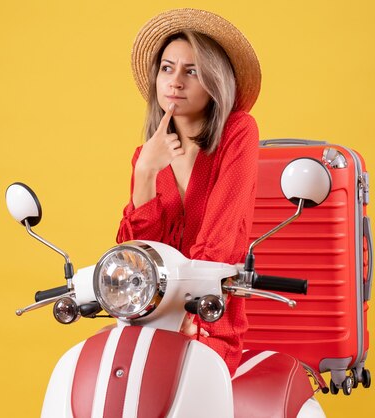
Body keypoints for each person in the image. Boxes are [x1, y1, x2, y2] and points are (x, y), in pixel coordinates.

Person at [116, 9, 261, 376]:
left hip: (210, 317)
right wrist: (146, 172)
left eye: (191, 71)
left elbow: (221, 239)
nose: (175, 81)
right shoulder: (146, 155)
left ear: (215, 81)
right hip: (152, 319)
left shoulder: (237, 133)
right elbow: (134, 258)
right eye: (167, 68)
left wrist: (190, 312)